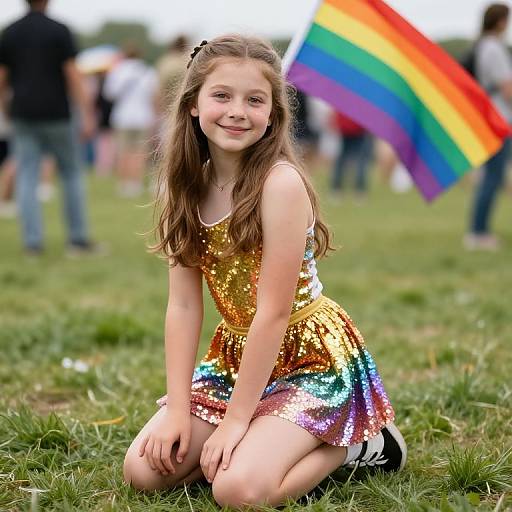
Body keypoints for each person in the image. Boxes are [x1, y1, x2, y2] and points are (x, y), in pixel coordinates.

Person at [122, 35, 406, 509]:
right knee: (145, 471)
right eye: (222, 96)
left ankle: (357, 444)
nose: (237, 111)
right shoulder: (184, 185)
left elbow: (273, 313)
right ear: (193, 104)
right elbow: (185, 304)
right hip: (236, 359)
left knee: (237, 491)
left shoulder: (281, 184)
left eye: (255, 100)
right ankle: (265, 434)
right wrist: (177, 408)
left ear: (273, 114)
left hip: (308, 359)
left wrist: (235, 423)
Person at [0, 0, 98, 256]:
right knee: (71, 173)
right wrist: (87, 113)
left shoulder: (10, 31)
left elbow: (2, 77)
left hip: (22, 113)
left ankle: (32, 243)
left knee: (27, 175)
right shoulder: (59, 30)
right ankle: (77, 240)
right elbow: (72, 74)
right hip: (57, 113)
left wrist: (3, 108)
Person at [465, 3, 512, 251]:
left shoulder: (481, 45)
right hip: (499, 121)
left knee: (492, 177)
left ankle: (478, 230)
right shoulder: (494, 48)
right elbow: (507, 88)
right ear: (501, 21)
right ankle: (478, 232)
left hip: (489, 120)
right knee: (491, 178)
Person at [104, 43, 158, 198]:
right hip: (143, 116)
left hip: (122, 117)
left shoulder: (118, 70)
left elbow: (109, 94)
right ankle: (136, 183)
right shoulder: (147, 71)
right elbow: (153, 95)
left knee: (123, 151)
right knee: (139, 152)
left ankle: (124, 183)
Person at [330, 111, 373, 201]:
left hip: (346, 128)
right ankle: (359, 189)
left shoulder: (344, 99)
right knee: (360, 160)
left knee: (342, 159)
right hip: (356, 128)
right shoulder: (362, 100)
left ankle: (337, 187)